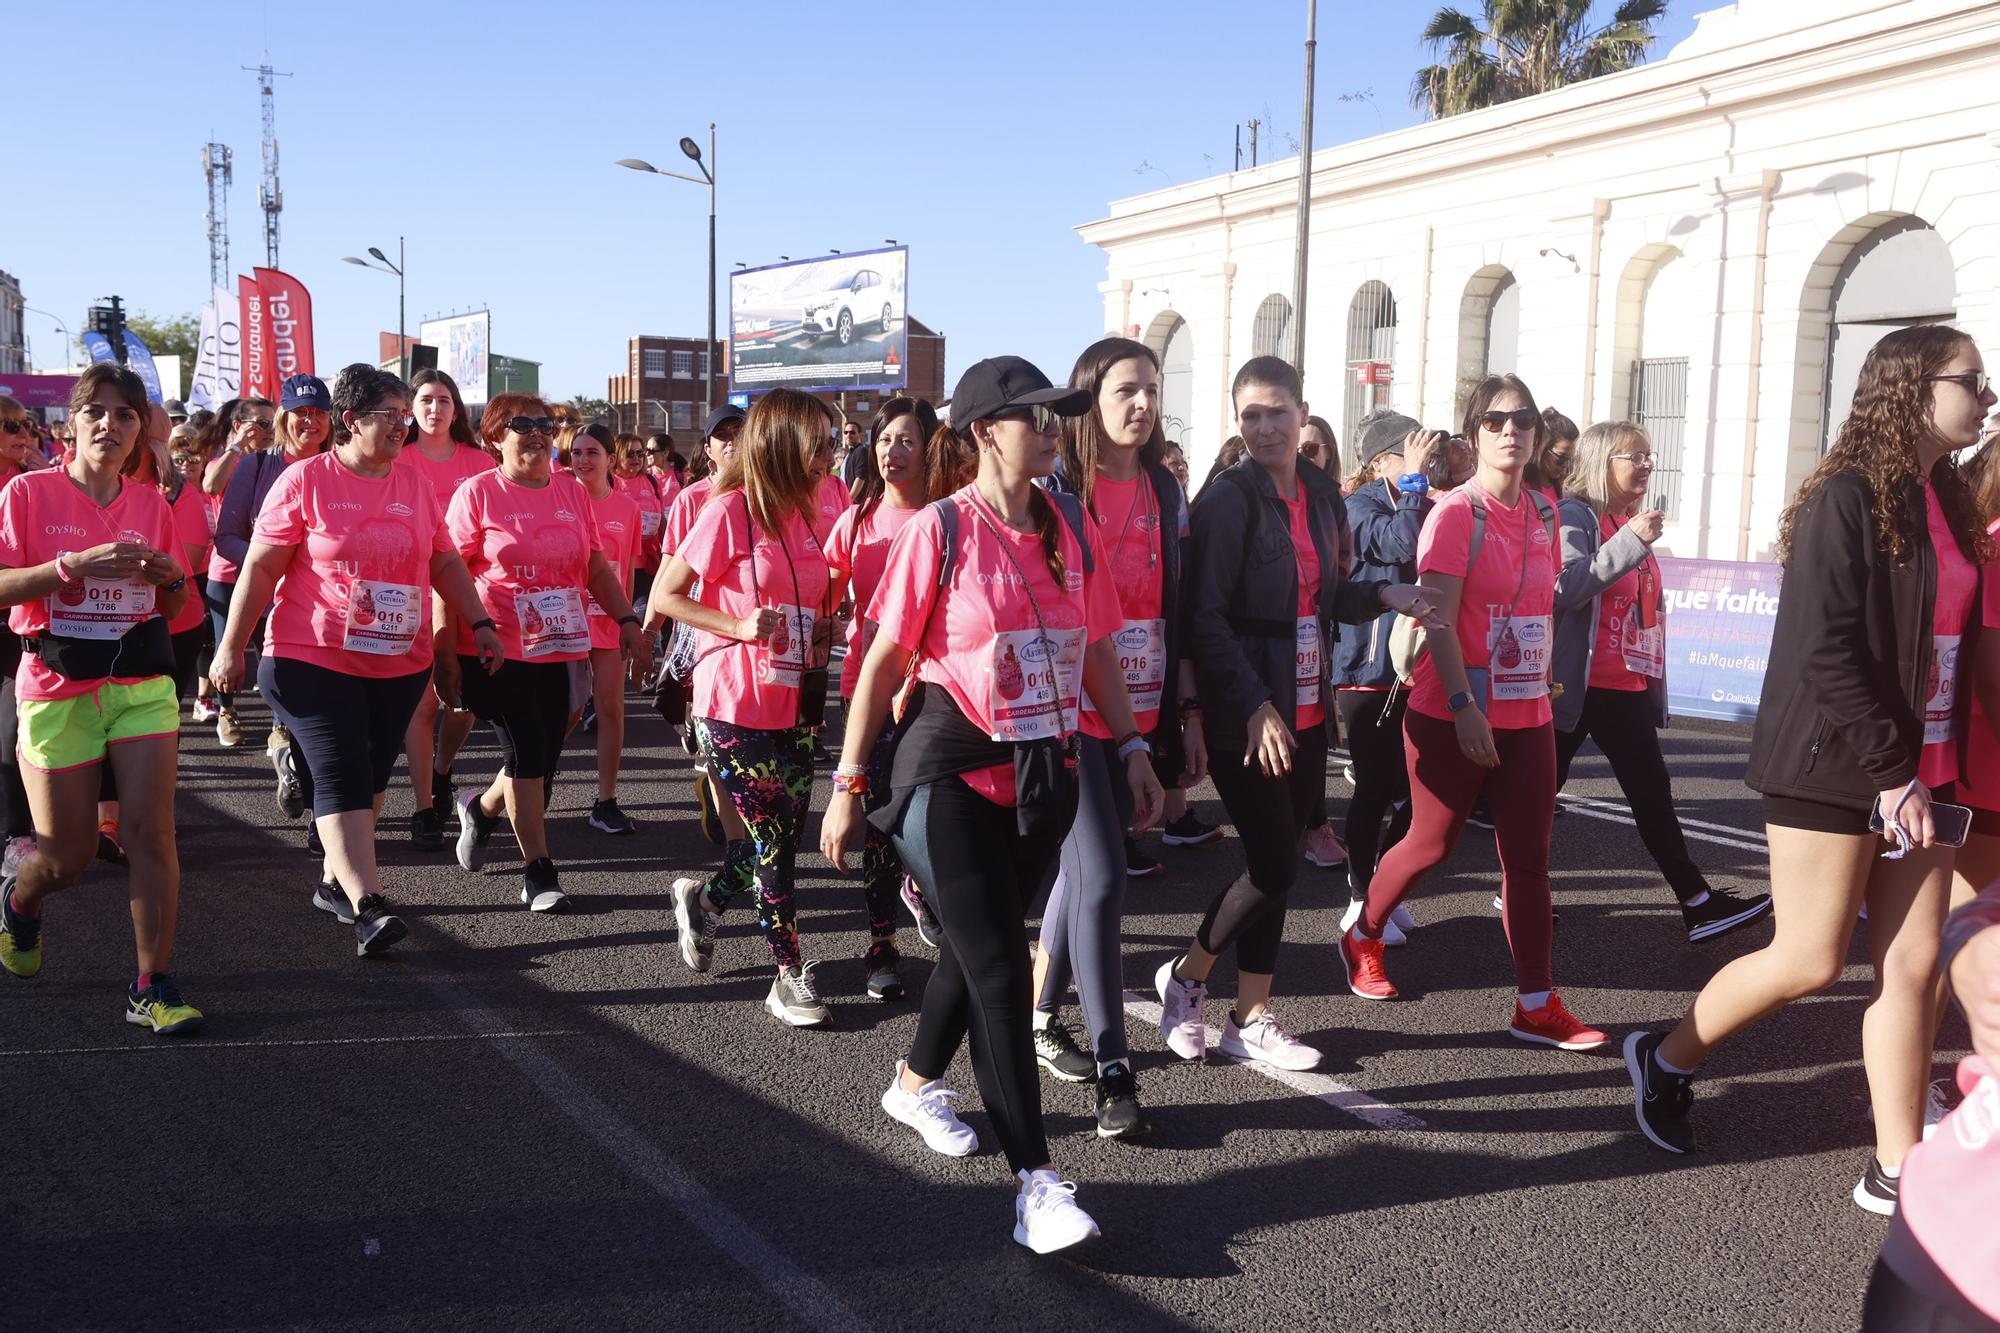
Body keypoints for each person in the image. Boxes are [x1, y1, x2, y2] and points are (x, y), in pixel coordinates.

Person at [1623, 327, 1993, 1217]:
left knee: (1911, 970)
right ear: (1912, 387)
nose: (1987, 397)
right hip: (1840, 765)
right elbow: (1827, 650)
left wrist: (1927, 768)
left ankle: (1895, 1167)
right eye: (1972, 381)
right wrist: (1892, 769)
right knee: (1809, 957)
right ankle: (1665, 1056)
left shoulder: (1942, 492)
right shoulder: (1847, 496)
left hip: (1927, 768)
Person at [821, 354, 1162, 1253]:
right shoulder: (939, 531)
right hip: (946, 775)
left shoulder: (1070, 527)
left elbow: (1096, 652)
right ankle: (1037, 1186)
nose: (1053, 429)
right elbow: (882, 668)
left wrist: (1129, 747)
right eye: (1034, 417)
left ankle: (912, 1080)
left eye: (1057, 416)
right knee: (1005, 967)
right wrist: (849, 785)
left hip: (1041, 778)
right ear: (982, 432)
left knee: (973, 957)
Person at [1158, 357, 1440, 1071]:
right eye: (1249, 414)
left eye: (1276, 411)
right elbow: (1207, 620)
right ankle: (1188, 975)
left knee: (1276, 865)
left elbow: (1326, 598)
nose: (1263, 427)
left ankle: (1249, 1014)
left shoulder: (1320, 495)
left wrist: (1383, 597)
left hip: (1310, 709)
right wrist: (1253, 706)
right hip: (1249, 711)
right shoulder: (1226, 500)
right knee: (1274, 863)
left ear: (1303, 411)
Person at [1340, 373, 1612, 1053]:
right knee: (1430, 844)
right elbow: (1436, 618)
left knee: (1529, 858)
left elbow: (1536, 608)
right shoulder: (1455, 513)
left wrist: (1542, 684)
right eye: (1495, 421)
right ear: (1473, 434)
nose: (1511, 431)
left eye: (1522, 419)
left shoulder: (1547, 512)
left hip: (1527, 711)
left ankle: (1535, 1001)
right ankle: (1364, 931)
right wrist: (1463, 705)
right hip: (1449, 706)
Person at [212, 364, 502, 956]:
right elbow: (261, 568)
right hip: (310, 657)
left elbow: (443, 562)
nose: (404, 426)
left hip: (397, 661)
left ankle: (332, 884)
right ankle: (369, 903)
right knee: (342, 769)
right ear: (351, 421)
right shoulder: (303, 482)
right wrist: (230, 648)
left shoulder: (414, 485)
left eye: (405, 416)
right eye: (391, 416)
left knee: (371, 774)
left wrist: (478, 621)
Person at [1026, 336, 1201, 1137]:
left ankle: (1039, 1012)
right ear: (1090, 397)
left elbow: (1180, 606)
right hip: (1066, 710)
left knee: (1087, 868)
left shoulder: (1166, 488)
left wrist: (1183, 713)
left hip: (1141, 706)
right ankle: (1111, 1066)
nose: (1144, 404)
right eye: (1127, 389)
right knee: (1103, 878)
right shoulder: (1060, 489)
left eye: (1153, 389)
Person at [0, 364, 198, 1033]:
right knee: (68, 855)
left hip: (140, 685)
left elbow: (176, 606)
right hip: (58, 686)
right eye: (97, 413)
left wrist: (170, 576)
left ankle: (152, 985)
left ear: (140, 429)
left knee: (151, 834)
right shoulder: (28, 493)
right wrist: (70, 568)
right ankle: (20, 901)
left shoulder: (150, 504)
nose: (110, 426)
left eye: (125, 415)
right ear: (72, 423)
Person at [655, 389, 838, 1025]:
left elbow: (812, 596)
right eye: (818, 442)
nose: (828, 456)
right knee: (772, 845)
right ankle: (787, 974)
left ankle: (704, 903)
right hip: (730, 701)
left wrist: (823, 627)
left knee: (775, 841)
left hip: (796, 698)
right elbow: (666, 596)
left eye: (832, 443)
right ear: (781, 442)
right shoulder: (728, 509)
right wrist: (736, 626)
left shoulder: (810, 512)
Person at [1550, 421, 1771, 941]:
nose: (1647, 465)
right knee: (1534, 797)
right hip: (1577, 687)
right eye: (1636, 456)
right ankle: (1381, 892)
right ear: (1604, 461)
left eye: (1650, 457)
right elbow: (1564, 587)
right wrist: (1630, 542)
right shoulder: (1575, 515)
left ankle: (1697, 902)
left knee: (1651, 793)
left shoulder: (1626, 520)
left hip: (1621, 685)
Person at [443, 394, 650, 910]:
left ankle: (484, 807)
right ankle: (538, 869)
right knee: (527, 751)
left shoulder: (572, 493)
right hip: (495, 645)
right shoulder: (477, 494)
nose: (537, 432)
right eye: (522, 424)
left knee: (546, 750)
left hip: (560, 644)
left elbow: (596, 567)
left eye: (545, 424)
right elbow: (446, 575)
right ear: (494, 436)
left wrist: (627, 620)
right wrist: (445, 649)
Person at [820, 396, 940, 1001]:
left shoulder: (949, 517)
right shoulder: (857, 519)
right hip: (867, 690)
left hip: (935, 694)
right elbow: (824, 594)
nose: (894, 451)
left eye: (908, 440)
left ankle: (925, 892)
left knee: (923, 813)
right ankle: (880, 946)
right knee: (875, 819)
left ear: (930, 449)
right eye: (885, 439)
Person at [1862, 868, 2000, 1328]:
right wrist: (1975, 954)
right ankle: (1892, 1161)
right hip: (1957, 1235)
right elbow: (1977, 915)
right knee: (1810, 958)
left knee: (1812, 959)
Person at [1333, 411, 1445, 946]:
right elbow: (1400, 545)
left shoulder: (1422, 500)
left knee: (1416, 794)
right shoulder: (1359, 505)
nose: (1424, 459)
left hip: (1414, 665)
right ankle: (1359, 896)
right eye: (1411, 451)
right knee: (1375, 788)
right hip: (1367, 669)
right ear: (1381, 462)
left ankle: (1385, 888)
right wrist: (1419, 484)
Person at [397, 368, 497, 850]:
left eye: (444, 399)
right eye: (425, 400)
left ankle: (441, 772)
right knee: (421, 704)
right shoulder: (398, 458)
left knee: (461, 704)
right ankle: (423, 807)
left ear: (456, 408)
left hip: (465, 595)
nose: (435, 408)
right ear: (410, 409)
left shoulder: (479, 462)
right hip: (408, 593)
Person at [210, 375, 330, 760]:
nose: (309, 421)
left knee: (292, 674)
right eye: (300, 412)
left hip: (314, 599)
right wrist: (273, 565)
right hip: (253, 584)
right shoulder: (257, 465)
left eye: (318, 412)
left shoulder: (340, 468)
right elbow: (226, 536)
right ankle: (226, 709)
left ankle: (283, 737)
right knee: (247, 661)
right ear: (283, 417)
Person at [660, 404, 752, 848]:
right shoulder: (691, 499)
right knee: (710, 726)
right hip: (698, 627)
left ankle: (731, 802)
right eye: (723, 435)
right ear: (709, 449)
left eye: (741, 431)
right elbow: (667, 573)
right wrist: (644, 630)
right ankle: (726, 812)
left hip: (751, 629)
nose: (733, 441)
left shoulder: (767, 496)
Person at [568, 424, 642, 834]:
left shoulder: (627, 509)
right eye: (576, 452)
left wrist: (627, 621)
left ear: (610, 459)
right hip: (565, 620)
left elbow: (626, 572)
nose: (582, 460)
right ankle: (532, 778)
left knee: (612, 707)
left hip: (607, 622)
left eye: (592, 452)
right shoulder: (559, 498)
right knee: (570, 709)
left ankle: (606, 799)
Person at [197, 395, 276, 743]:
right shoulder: (226, 460)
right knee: (225, 648)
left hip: (270, 571)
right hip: (227, 572)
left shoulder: (277, 463)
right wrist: (237, 446)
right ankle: (226, 711)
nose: (266, 429)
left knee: (272, 648)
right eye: (258, 422)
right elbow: (210, 486)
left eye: (271, 422)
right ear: (237, 425)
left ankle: (281, 723)